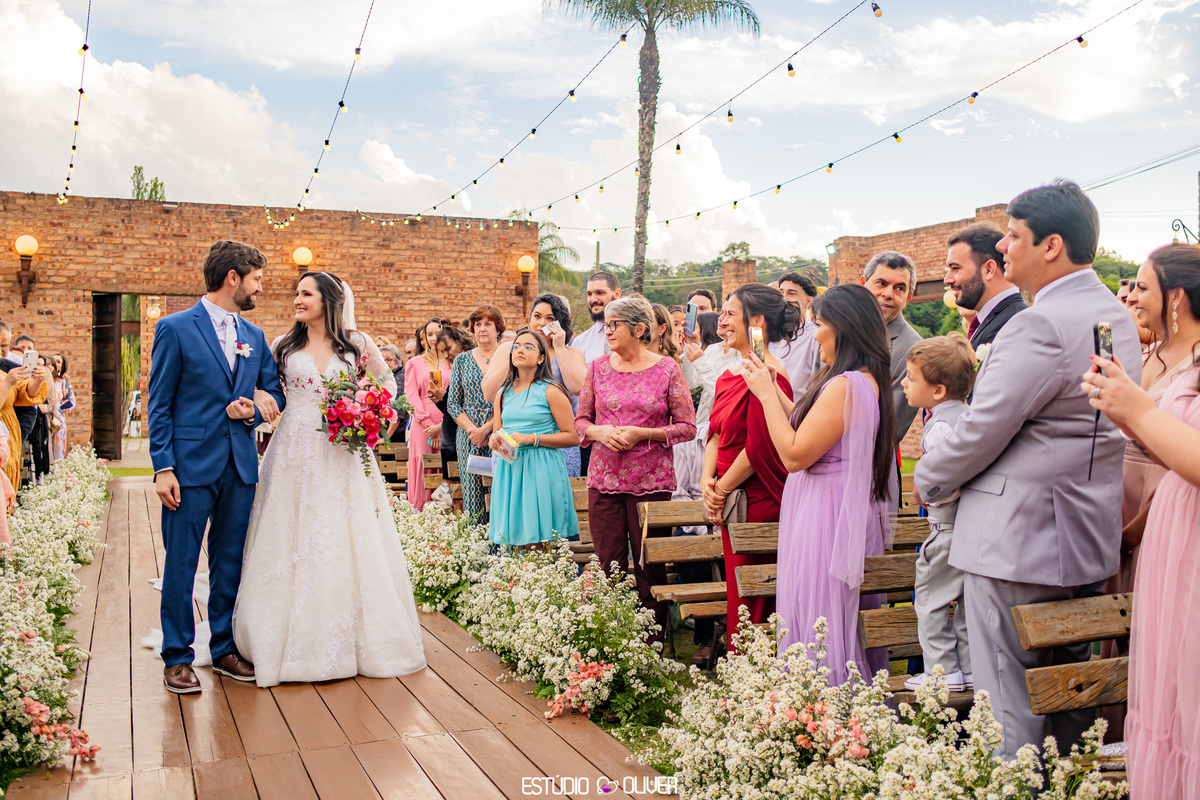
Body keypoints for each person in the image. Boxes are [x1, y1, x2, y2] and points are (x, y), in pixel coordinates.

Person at [914, 180, 1143, 760]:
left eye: (1014, 236)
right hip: (1085, 537)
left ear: (1051, 245)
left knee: (1007, 702)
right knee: (1070, 697)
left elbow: (981, 429)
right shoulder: (1114, 316)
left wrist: (929, 478)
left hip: (1014, 542)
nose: (1003, 247)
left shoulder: (1039, 324)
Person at [234, 271, 426, 687]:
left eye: (306, 294)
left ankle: (353, 638)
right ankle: (284, 637)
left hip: (343, 451)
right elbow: (267, 389)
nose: (297, 300)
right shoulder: (283, 346)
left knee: (344, 533)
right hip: (293, 450)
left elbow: (385, 384)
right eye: (297, 293)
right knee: (290, 532)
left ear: (329, 300)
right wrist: (260, 398)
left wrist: (368, 410)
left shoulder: (357, 344)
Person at [147, 239, 287, 694]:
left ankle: (224, 648)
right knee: (182, 564)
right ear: (233, 278)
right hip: (188, 468)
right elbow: (159, 404)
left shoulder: (256, 336)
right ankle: (177, 656)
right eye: (257, 280)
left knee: (229, 562)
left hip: (240, 467)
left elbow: (274, 393)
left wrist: (256, 406)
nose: (260, 288)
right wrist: (163, 468)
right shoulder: (175, 328)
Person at [743, 284, 896, 684]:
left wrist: (764, 397)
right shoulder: (858, 380)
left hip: (826, 515)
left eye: (820, 325)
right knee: (823, 612)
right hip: (828, 504)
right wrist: (774, 389)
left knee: (821, 616)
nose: (815, 336)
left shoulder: (846, 384)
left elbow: (795, 454)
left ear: (843, 328)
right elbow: (811, 427)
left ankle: (823, 699)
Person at [1081, 345, 1200, 800]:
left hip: (1189, 545)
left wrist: (1142, 413)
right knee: (1173, 696)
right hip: (1175, 544)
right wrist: (1130, 417)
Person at [1100, 243, 1200, 739]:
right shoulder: (1148, 354)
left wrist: (1137, 412)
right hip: (1144, 509)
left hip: (1176, 517)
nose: (1131, 297)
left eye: (1142, 287)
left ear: (1175, 297)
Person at [575, 297, 696, 638]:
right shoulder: (597, 368)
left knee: (649, 566)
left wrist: (644, 434)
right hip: (604, 481)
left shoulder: (667, 369)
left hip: (651, 483)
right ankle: (610, 639)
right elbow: (581, 421)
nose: (608, 330)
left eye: (615, 324)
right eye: (607, 324)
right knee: (608, 566)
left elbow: (687, 427)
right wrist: (600, 432)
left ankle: (652, 641)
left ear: (639, 329)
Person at [701, 284, 799, 651]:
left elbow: (760, 445)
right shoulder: (729, 374)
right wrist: (706, 480)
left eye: (730, 314)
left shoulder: (771, 374)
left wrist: (722, 488)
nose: (722, 321)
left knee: (752, 598)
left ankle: (751, 668)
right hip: (726, 491)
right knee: (736, 590)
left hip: (756, 499)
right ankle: (741, 666)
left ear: (756, 322)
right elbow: (714, 432)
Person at [900, 333, 977, 693]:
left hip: (945, 529)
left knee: (931, 600)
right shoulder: (969, 417)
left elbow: (945, 478)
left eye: (911, 378)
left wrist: (925, 488)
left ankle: (941, 671)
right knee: (963, 603)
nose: (904, 383)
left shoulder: (940, 429)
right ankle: (968, 668)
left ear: (938, 391)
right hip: (967, 531)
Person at [488, 329, 580, 547]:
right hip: (510, 470)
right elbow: (498, 433)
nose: (520, 350)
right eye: (517, 346)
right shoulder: (502, 392)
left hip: (541, 469)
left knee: (540, 540)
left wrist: (532, 438)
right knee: (514, 538)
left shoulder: (552, 391)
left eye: (528, 347)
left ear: (541, 358)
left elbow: (574, 437)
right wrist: (494, 440)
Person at [482, 294, 585, 477]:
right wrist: (515, 356)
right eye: (537, 316)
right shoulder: (508, 349)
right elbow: (489, 394)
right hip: (513, 445)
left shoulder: (570, 352)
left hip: (554, 444)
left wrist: (559, 347)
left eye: (550, 318)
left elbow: (578, 388)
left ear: (559, 323)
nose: (541, 323)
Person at [860, 251, 922, 443]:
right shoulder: (836, 330)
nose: (888, 294)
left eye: (899, 288)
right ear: (863, 284)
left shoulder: (913, 349)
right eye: (881, 283)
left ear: (908, 297)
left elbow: (891, 429)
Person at [449, 306, 504, 521]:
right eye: (478, 324)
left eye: (488, 324)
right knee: (473, 492)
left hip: (499, 430)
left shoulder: (508, 357)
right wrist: (474, 430)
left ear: (498, 328)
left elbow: (512, 399)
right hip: (468, 434)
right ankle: (477, 538)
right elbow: (453, 403)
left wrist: (486, 429)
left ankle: (500, 539)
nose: (482, 329)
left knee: (500, 488)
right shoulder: (462, 360)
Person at [943, 223, 1027, 349]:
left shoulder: (1014, 324)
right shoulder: (995, 319)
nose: (947, 280)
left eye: (955, 268)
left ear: (989, 269)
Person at [405, 318, 448, 510]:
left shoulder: (454, 361)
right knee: (424, 466)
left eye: (437, 333)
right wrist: (428, 425)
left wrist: (441, 426)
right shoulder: (414, 363)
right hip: (422, 426)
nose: (433, 338)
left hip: (448, 423)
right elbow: (412, 397)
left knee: (446, 467)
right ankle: (421, 513)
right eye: (429, 334)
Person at [433, 325, 473, 486]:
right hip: (449, 440)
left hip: (463, 439)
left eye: (447, 349)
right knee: (453, 493)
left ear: (460, 341)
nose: (446, 355)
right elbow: (450, 410)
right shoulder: (458, 367)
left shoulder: (472, 365)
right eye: (442, 352)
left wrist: (444, 397)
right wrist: (439, 400)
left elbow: (467, 405)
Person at [0, 358, 48, 491]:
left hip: (9, 442)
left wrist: (37, 381)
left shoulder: (3, 371)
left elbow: (25, 392)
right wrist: (7, 383)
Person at [771, 273, 821, 398]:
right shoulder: (771, 334)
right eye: (781, 293)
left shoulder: (816, 337)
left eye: (791, 294)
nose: (784, 298)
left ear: (809, 301)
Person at [572, 272, 622, 367]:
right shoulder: (579, 343)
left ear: (617, 294)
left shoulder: (635, 336)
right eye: (589, 294)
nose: (593, 299)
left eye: (599, 293)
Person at [380, 344, 408, 441]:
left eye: (388, 360)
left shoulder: (398, 379)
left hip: (396, 434)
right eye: (382, 360)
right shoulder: (386, 378)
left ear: (397, 363)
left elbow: (398, 412)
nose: (384, 363)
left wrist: (386, 437)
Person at [52, 353, 74, 460]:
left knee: (58, 449)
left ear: (62, 366)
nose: (55, 363)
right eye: (53, 361)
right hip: (44, 417)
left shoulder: (63, 382)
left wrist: (65, 407)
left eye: (58, 362)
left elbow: (71, 400)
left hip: (58, 420)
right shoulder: (43, 379)